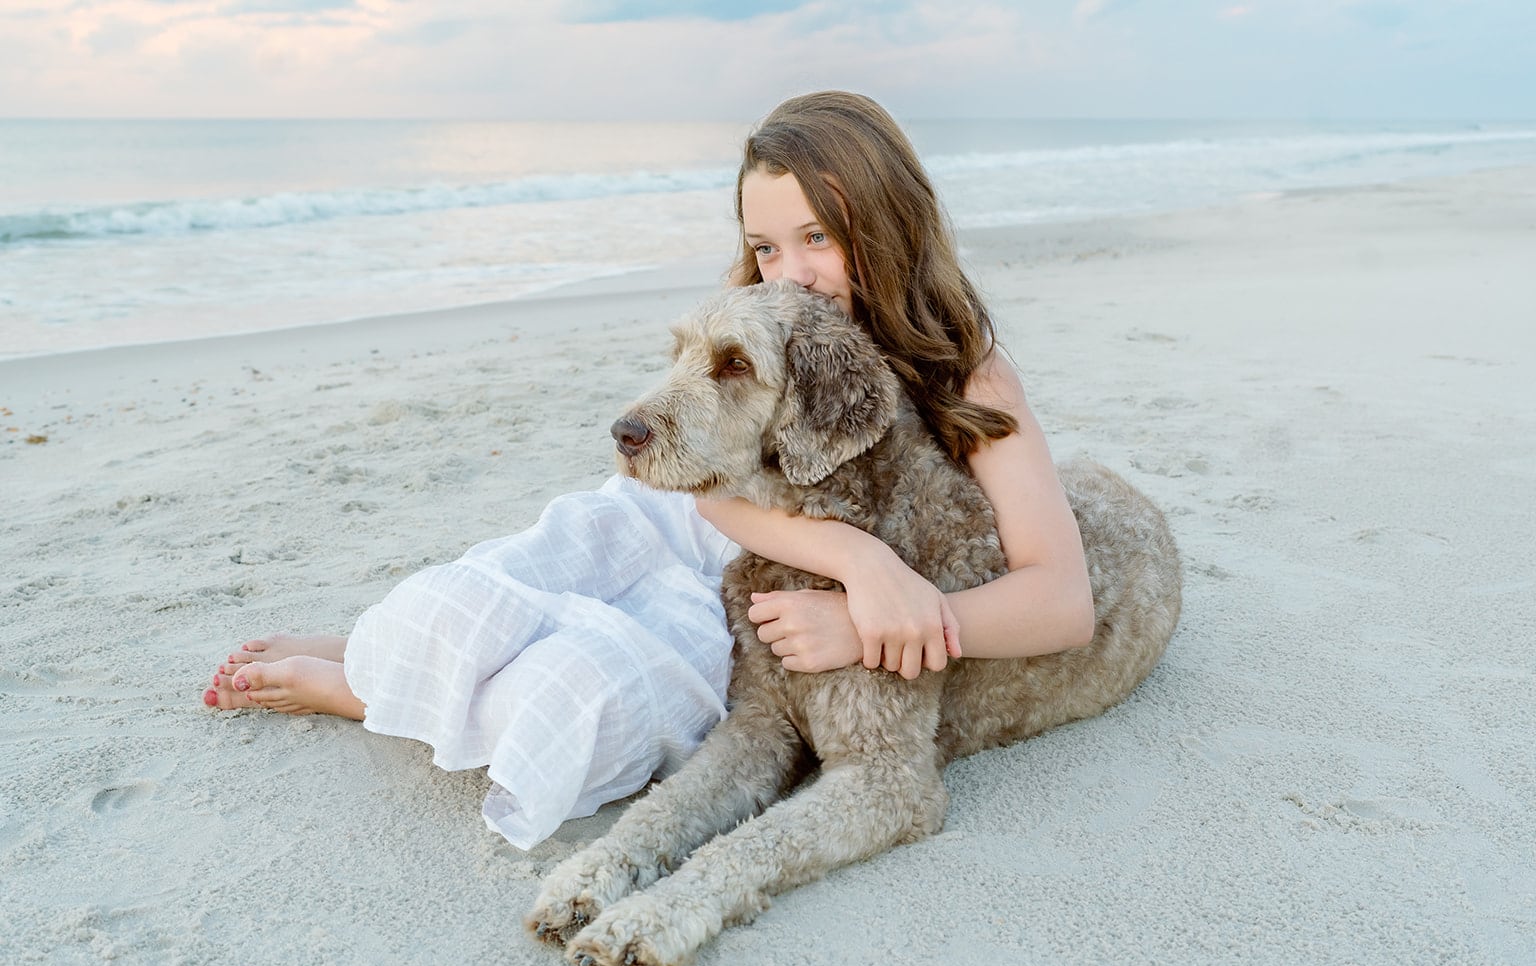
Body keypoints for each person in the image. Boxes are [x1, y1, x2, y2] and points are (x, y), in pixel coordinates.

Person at [201, 90, 1095, 848]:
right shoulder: (757, 326)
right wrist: (863, 564)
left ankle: (366, 689)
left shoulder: (966, 376)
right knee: (524, 570)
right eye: (767, 247)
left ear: (890, 222)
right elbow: (714, 498)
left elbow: (1062, 600)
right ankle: (372, 650)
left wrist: (883, 619)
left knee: (594, 689)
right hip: (703, 516)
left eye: (818, 236)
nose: (790, 273)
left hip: (762, 594)